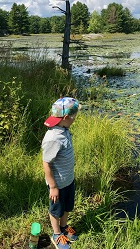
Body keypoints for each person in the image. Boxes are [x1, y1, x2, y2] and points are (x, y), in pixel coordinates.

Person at [42, 97, 80, 248]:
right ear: (65, 117)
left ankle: (64, 227)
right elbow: (46, 163)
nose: (74, 120)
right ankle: (56, 234)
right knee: (56, 210)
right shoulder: (53, 138)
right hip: (57, 184)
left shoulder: (64, 130)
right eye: (73, 118)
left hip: (68, 180)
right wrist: (52, 186)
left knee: (67, 206)